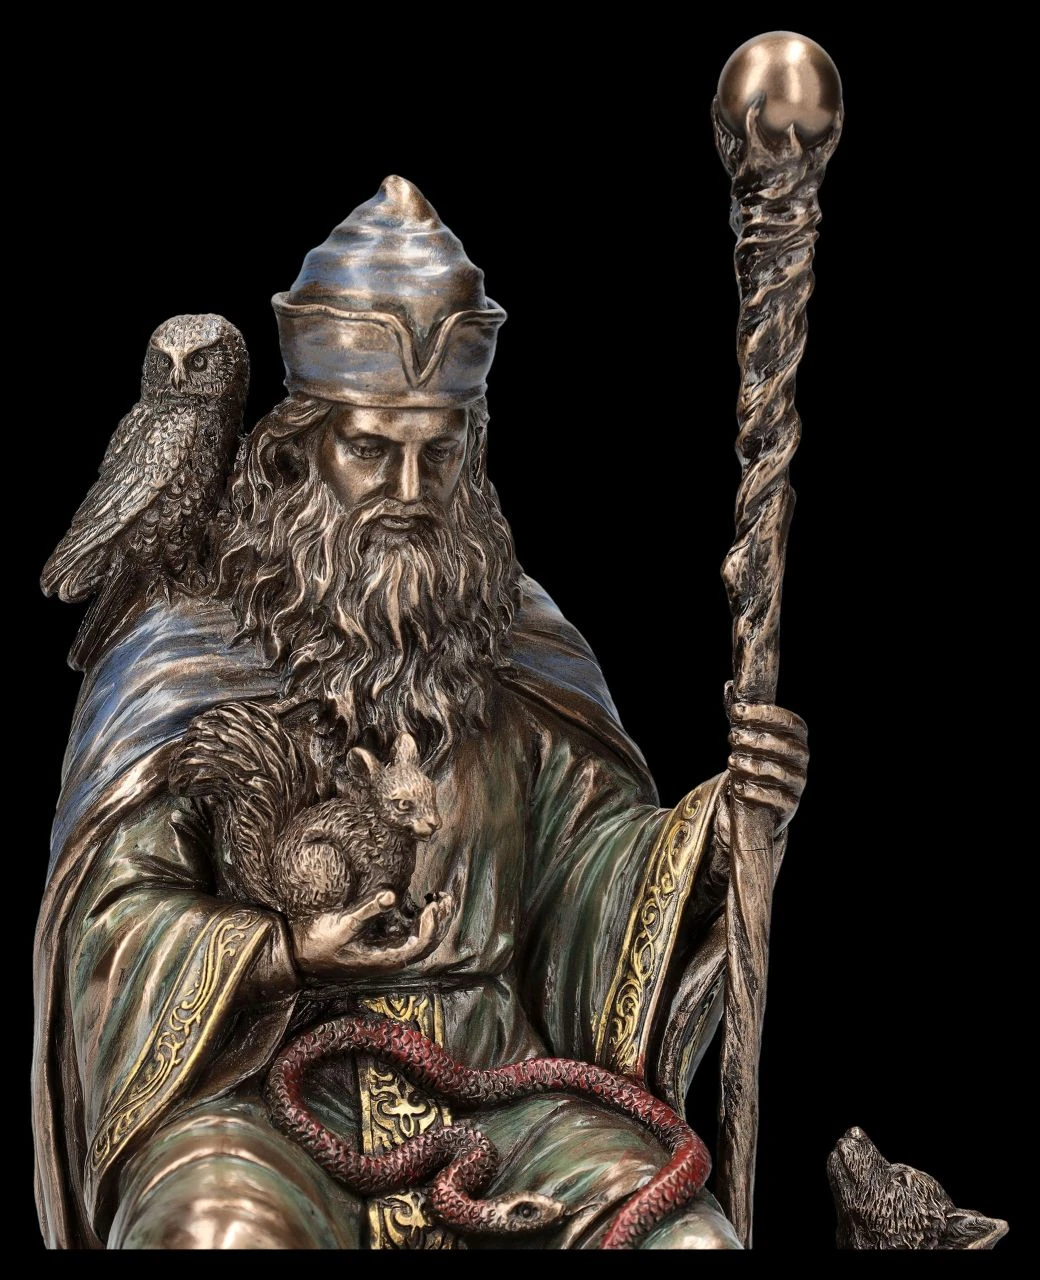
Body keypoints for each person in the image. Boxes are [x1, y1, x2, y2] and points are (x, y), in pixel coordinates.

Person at [32, 176, 808, 1249]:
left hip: (500, 1087)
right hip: (256, 1096)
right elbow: (112, 930)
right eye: (370, 449)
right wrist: (281, 952)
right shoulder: (182, 654)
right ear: (296, 451)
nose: (406, 489)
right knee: (214, 1233)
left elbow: (587, 874)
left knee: (688, 1241)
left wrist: (720, 833)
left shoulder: (516, 641)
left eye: (436, 453)